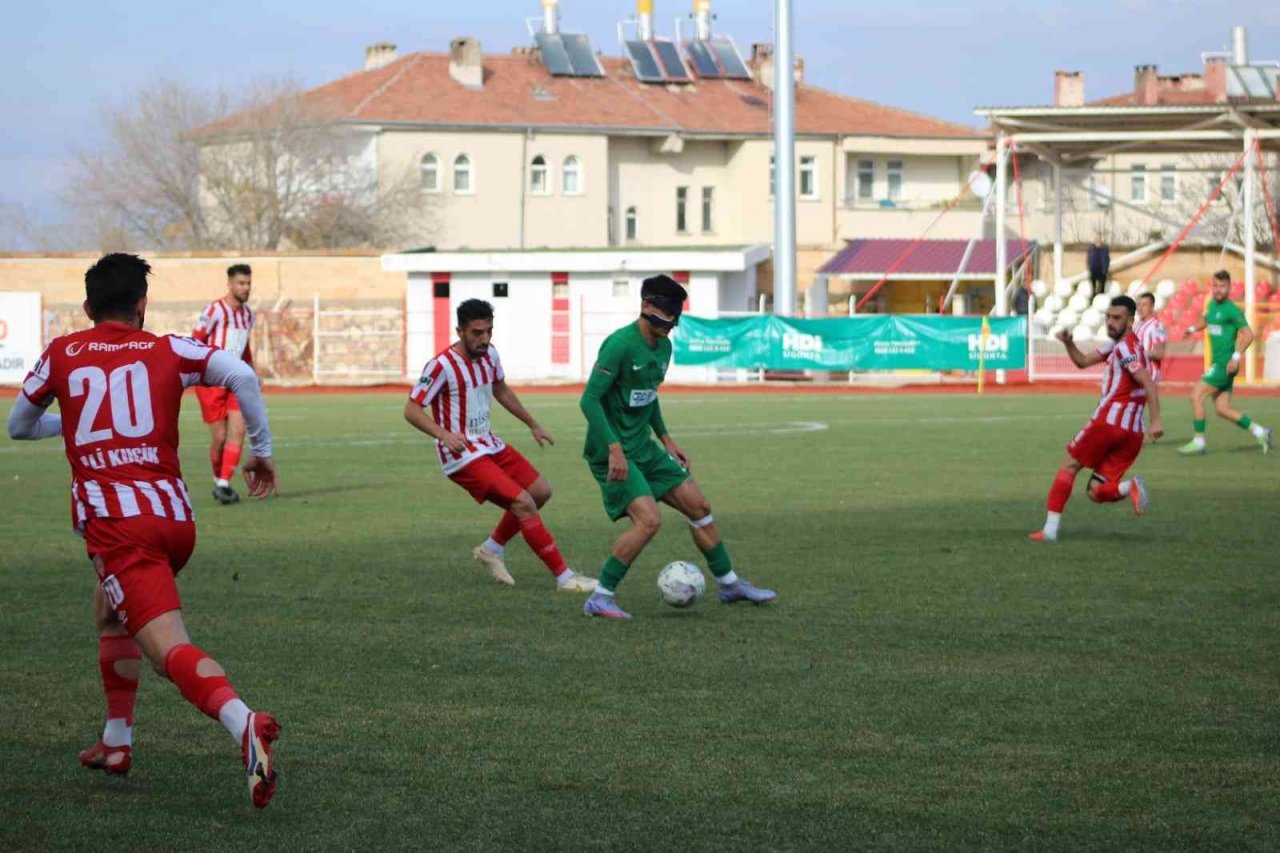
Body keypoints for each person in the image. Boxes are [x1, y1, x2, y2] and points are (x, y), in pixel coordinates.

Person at [6, 253, 281, 808]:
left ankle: (243, 721)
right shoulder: (168, 348)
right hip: (175, 521)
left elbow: (19, 425)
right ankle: (116, 742)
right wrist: (263, 452)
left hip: (119, 527)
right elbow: (242, 374)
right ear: (142, 304)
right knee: (110, 610)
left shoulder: (63, 352)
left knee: (166, 650)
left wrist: (82, 419)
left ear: (87, 308)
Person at [578, 274, 777, 619]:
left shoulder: (664, 346)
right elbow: (589, 400)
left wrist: (667, 439)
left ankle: (729, 585)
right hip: (613, 454)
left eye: (676, 315)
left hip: (645, 448)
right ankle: (600, 597)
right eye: (667, 314)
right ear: (646, 306)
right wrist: (613, 448)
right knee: (649, 521)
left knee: (699, 506)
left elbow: (647, 396)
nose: (672, 324)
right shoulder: (619, 345)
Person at [404, 299, 595, 592]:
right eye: (477, 333)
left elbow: (501, 389)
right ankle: (565, 577)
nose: (484, 339)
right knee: (523, 502)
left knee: (540, 491)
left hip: (489, 444)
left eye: (489, 331)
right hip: (462, 454)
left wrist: (533, 424)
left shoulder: (490, 354)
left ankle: (492, 548)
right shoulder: (441, 365)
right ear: (460, 331)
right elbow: (412, 409)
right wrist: (443, 434)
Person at [1030, 295, 1163, 542]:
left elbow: (1147, 381)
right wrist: (1069, 343)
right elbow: (1082, 362)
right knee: (1095, 490)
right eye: (1108, 317)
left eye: (1117, 318)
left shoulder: (1123, 348)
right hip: (1133, 433)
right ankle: (1128, 487)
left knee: (1069, 465)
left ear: (1131, 320)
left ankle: (1049, 530)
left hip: (1109, 423)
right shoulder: (1122, 345)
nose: (1110, 323)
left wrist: (1157, 419)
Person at [1178, 270, 1272, 455]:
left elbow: (1249, 334)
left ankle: (1199, 441)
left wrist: (1236, 357)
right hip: (1222, 365)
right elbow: (1206, 320)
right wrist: (1191, 328)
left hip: (1224, 365)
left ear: (1229, 288)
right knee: (1222, 409)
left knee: (1196, 396)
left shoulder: (1231, 309)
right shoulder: (1212, 304)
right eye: (1215, 285)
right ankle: (1261, 432)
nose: (1218, 289)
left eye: (1222, 286)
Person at [193, 263, 256, 504]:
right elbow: (196, 340)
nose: (246, 287)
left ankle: (223, 484)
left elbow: (244, 347)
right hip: (211, 382)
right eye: (241, 283)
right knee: (219, 436)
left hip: (237, 381)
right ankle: (216, 477)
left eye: (248, 283)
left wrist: (252, 372)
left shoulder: (249, 315)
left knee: (239, 431)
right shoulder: (214, 310)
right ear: (229, 284)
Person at [1134, 292, 1167, 383]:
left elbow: (1160, 353)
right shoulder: (1137, 325)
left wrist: (1140, 353)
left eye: (1144, 305)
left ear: (1152, 307)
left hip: (1149, 374)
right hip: (1136, 373)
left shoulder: (1156, 326)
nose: (1140, 308)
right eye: (1139, 304)